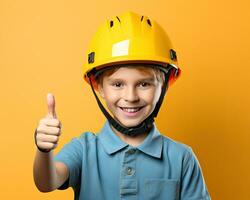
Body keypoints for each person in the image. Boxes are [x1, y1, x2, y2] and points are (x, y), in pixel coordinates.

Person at [33, 11, 211, 199]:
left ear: (166, 84)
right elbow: (46, 182)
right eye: (118, 84)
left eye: (144, 84)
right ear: (97, 85)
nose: (130, 96)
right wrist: (43, 150)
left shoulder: (182, 158)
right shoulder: (84, 149)